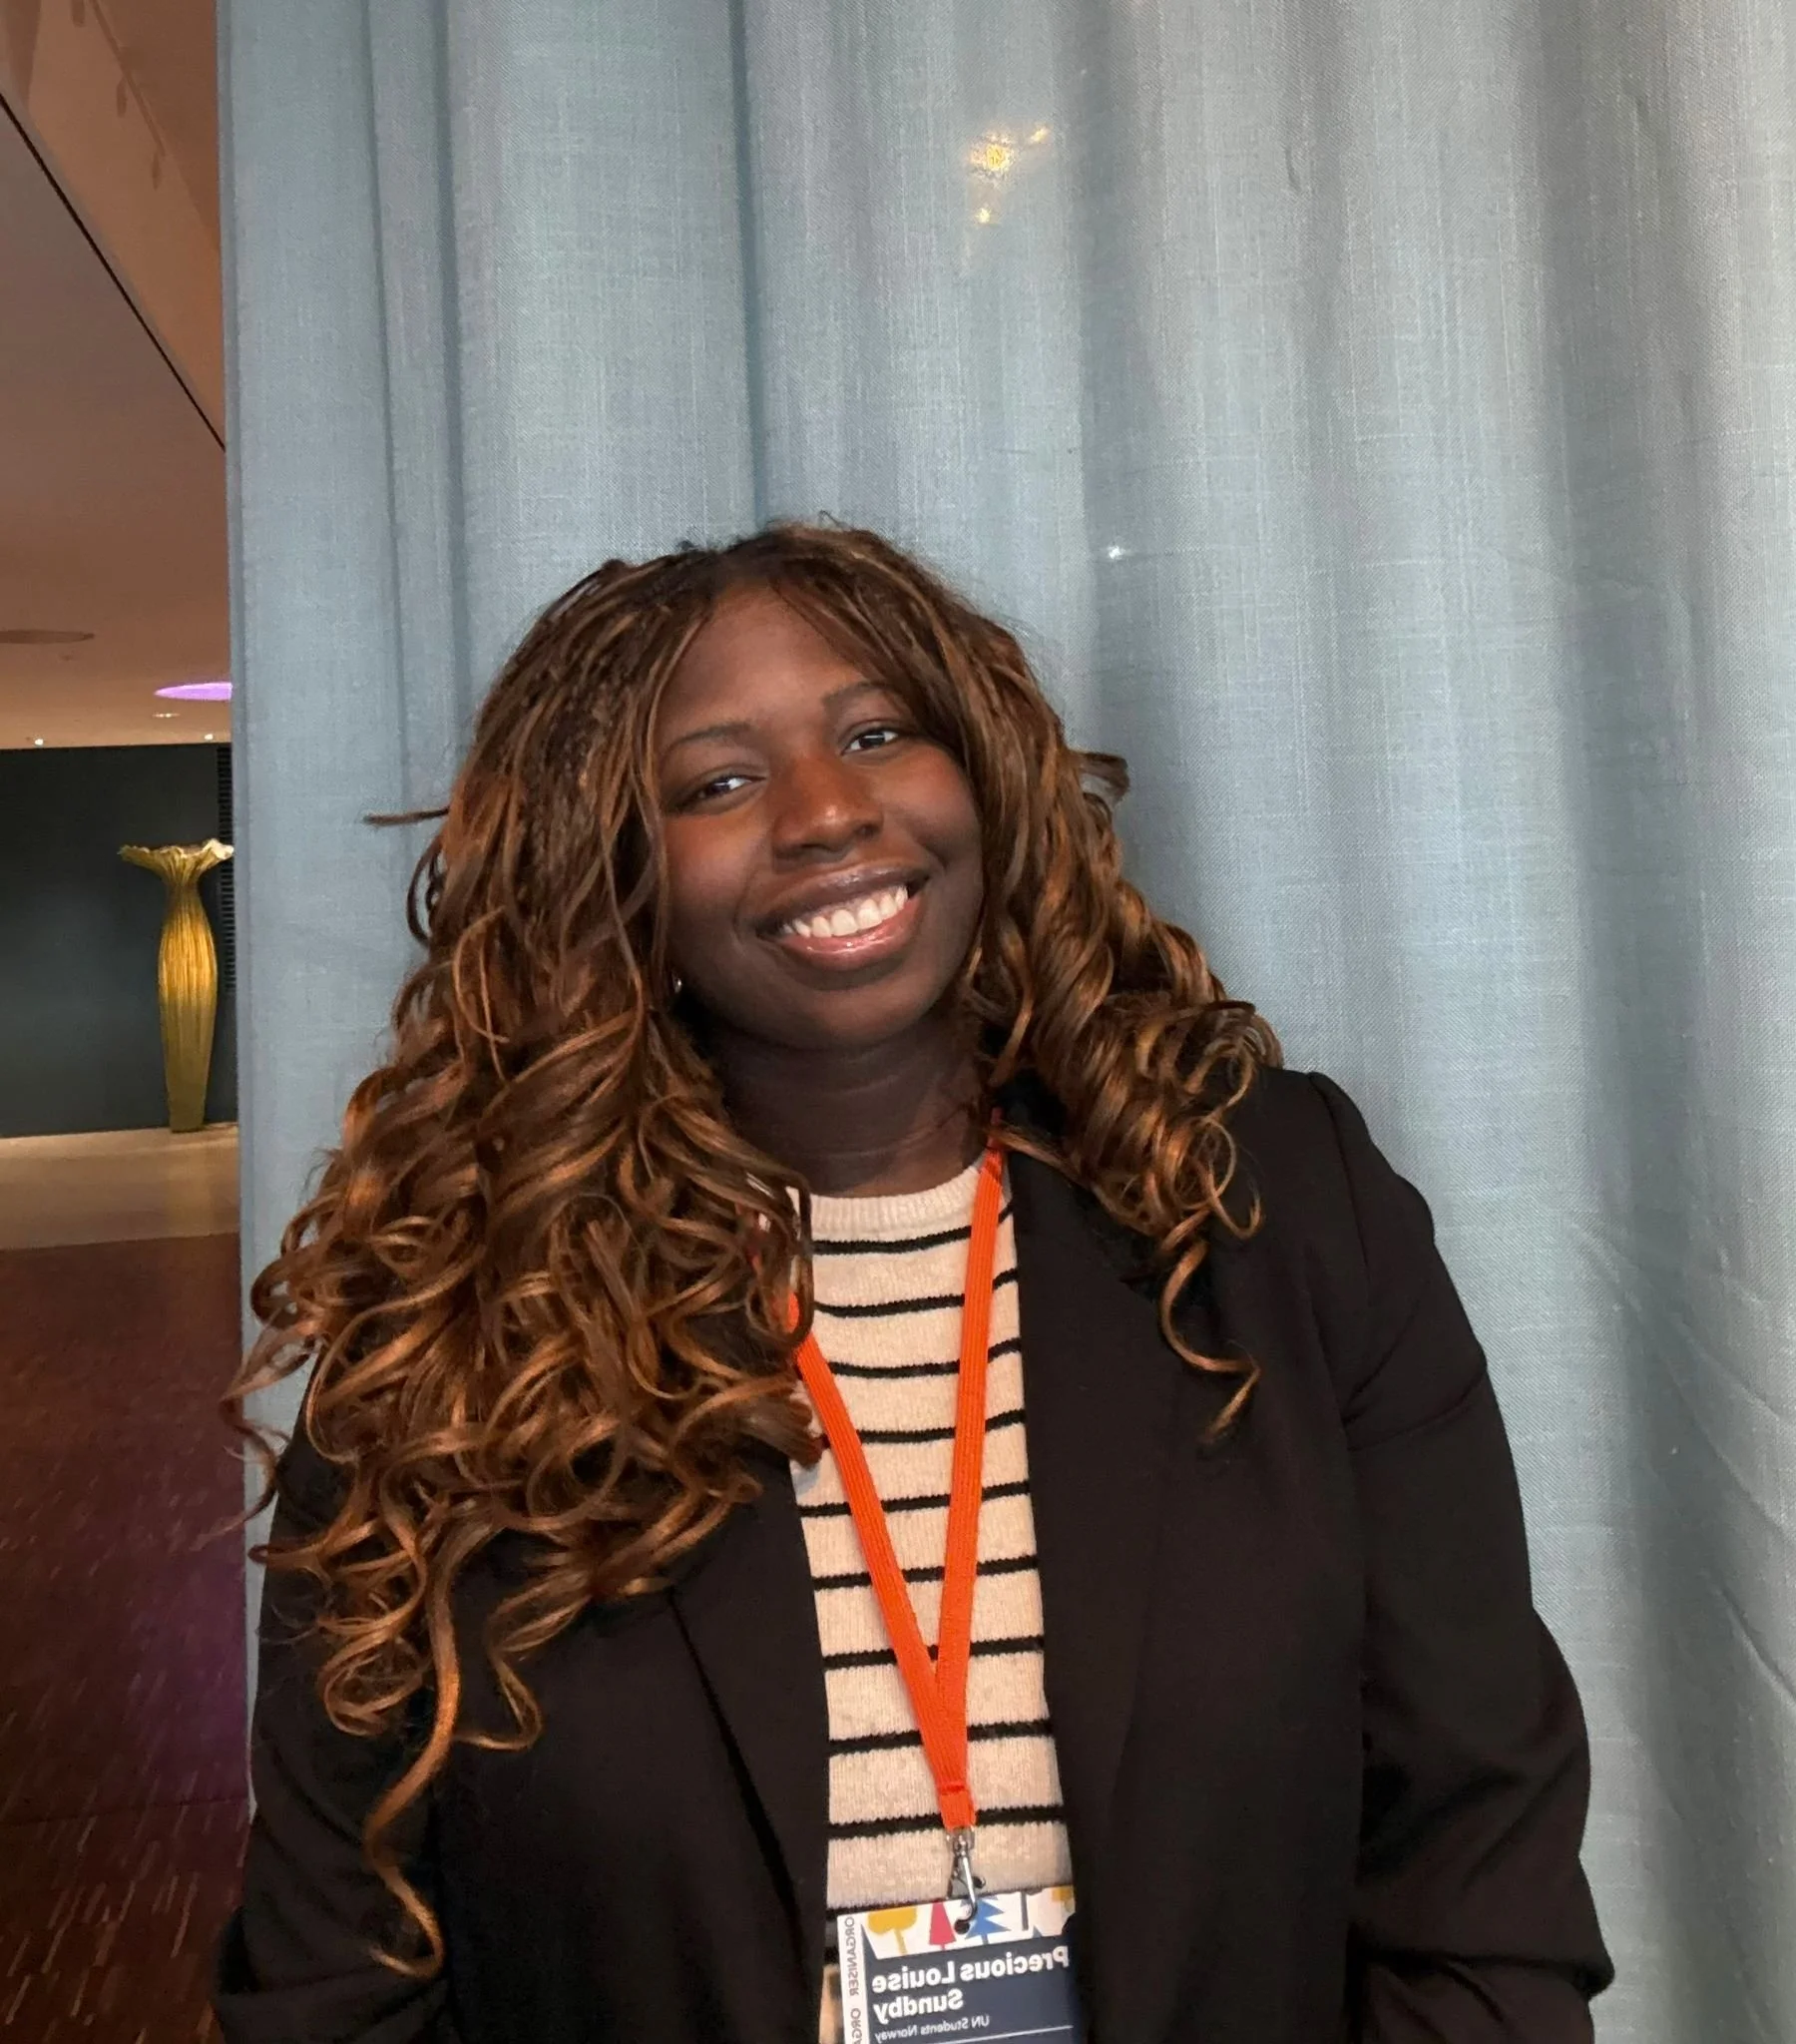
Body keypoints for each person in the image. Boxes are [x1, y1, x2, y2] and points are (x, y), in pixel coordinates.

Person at [214, 523, 1612, 2043]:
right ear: (614, 872)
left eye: (880, 733)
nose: (827, 812)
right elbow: (330, 1970)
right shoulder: (468, 1321)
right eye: (719, 783)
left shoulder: (1276, 1203)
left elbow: (1480, 1857)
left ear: (984, 777)